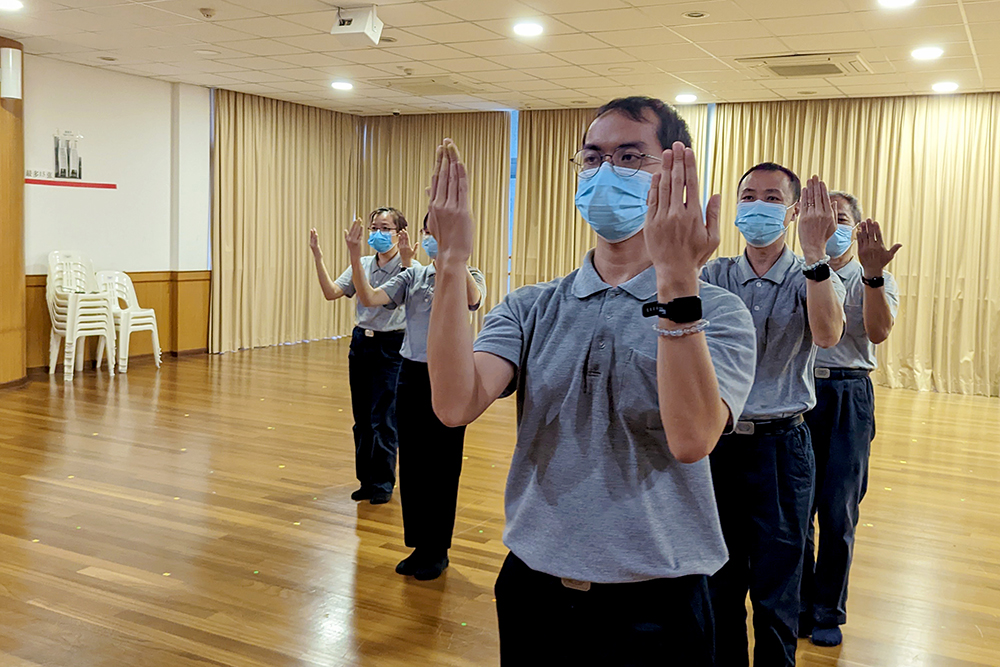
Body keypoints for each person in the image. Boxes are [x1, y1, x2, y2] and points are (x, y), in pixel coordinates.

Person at [425, 97, 758, 665]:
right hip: (534, 584)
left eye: (629, 156)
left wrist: (677, 280)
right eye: (592, 157)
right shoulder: (531, 306)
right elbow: (455, 404)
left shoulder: (719, 312)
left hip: (659, 594)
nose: (606, 172)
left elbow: (692, 438)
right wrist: (452, 262)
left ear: (671, 173)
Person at [700, 163, 847, 666]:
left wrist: (815, 254)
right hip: (718, 444)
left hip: (782, 447)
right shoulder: (714, 274)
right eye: (748, 196)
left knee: (777, 588)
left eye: (771, 198)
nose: (756, 206)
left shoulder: (813, 274)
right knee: (718, 583)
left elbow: (827, 334)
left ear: (793, 211)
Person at [346, 214, 487, 581]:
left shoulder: (470, 274)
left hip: (451, 377)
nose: (431, 238)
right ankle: (419, 545)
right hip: (411, 373)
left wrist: (454, 260)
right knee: (412, 462)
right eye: (428, 231)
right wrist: (353, 255)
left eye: (439, 232)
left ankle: (437, 549)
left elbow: (473, 299)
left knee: (442, 464)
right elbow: (369, 297)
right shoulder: (413, 276)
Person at [800, 191, 900, 647]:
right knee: (795, 509)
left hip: (848, 396)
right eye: (823, 217)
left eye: (840, 219)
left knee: (838, 511)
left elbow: (878, 332)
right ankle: (800, 603)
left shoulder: (873, 278)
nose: (831, 225)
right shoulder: (797, 273)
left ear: (856, 228)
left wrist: (874, 276)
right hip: (800, 394)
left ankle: (828, 610)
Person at [308, 207, 416, 505]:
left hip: (392, 345)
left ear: (399, 233)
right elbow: (332, 292)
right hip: (361, 343)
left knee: (384, 417)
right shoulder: (364, 263)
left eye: (385, 228)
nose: (378, 233)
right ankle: (366, 480)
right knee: (362, 418)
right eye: (374, 228)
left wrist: (406, 259)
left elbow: (388, 301)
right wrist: (318, 257)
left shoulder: (409, 267)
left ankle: (383, 482)